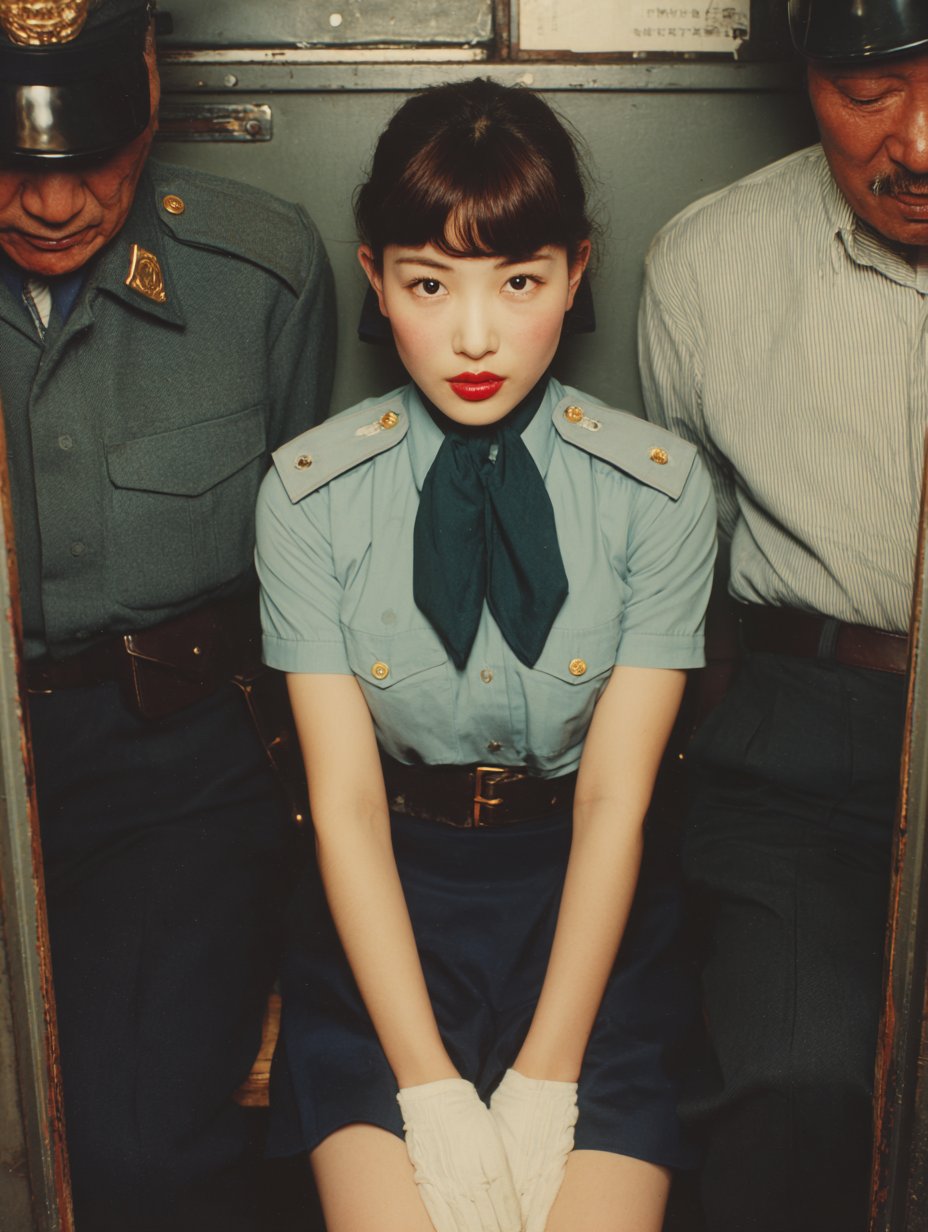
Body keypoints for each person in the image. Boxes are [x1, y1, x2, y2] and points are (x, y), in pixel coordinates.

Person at [256, 78, 716, 1232]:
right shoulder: (307, 496)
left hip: (591, 915)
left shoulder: (658, 493)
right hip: (384, 917)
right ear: (375, 279)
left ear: (576, 270)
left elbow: (614, 798)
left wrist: (549, 1074)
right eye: (429, 284)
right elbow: (344, 804)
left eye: (519, 281)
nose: (474, 336)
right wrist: (424, 1084)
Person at [0, 2, 335, 1229]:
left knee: (139, 1157)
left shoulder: (259, 271)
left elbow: (308, 580)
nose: (52, 204)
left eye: (90, 153)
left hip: (174, 772)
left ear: (148, 92)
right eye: (11, 158)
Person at [637, 1, 928, 1229]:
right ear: (805, 77)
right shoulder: (709, 261)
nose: (918, 142)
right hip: (805, 744)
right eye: (868, 91)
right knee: (794, 1084)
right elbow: (685, 580)